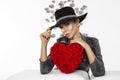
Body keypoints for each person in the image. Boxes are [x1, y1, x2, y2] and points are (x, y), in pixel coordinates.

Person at [39, 6, 105, 77]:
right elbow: (44, 69)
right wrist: (44, 44)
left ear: (77, 22)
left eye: (67, 24)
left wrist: (85, 45)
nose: (64, 30)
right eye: (61, 27)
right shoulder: (60, 43)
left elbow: (99, 72)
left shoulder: (92, 42)